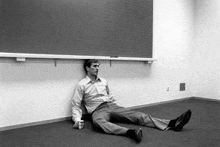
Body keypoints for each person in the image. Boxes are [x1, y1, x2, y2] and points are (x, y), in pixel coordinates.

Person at [72, 59, 192, 143]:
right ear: (87, 68)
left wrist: (117, 109)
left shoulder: (103, 81)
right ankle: (130, 132)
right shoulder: (81, 84)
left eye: (98, 66)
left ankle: (172, 123)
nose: (97, 69)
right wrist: (77, 120)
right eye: (94, 66)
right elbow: (76, 104)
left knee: (138, 116)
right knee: (98, 123)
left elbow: (110, 95)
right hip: (97, 111)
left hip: (110, 105)